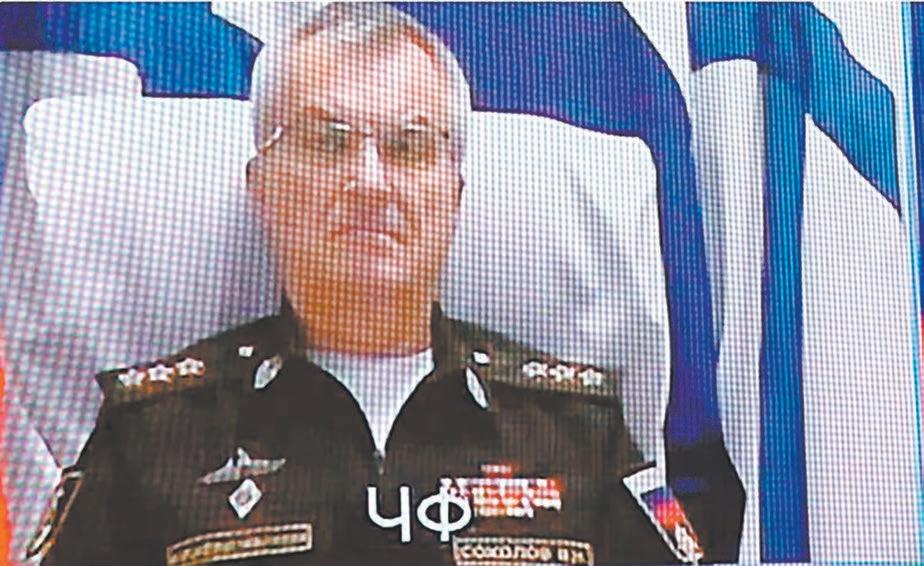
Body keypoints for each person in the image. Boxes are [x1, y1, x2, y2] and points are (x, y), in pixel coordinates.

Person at [28, 4, 743, 565]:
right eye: (326, 141)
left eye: (409, 146)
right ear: (263, 188)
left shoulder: (575, 432)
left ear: (453, 198)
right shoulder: (151, 435)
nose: (370, 181)